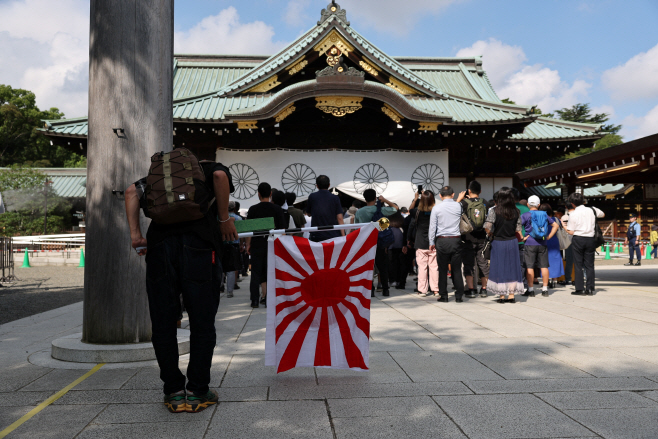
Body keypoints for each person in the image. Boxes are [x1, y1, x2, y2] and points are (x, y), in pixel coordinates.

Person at [124, 153, 237, 414]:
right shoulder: (211, 169)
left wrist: (136, 236)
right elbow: (220, 177)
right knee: (201, 322)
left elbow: (131, 192)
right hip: (200, 247)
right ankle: (198, 391)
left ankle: (174, 392)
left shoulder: (157, 179)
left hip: (159, 248)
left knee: (163, 323)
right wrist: (223, 219)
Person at [246, 183, 286, 308]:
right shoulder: (277, 209)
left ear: (258, 194)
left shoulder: (253, 209)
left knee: (255, 273)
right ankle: (269, 299)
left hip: (257, 244)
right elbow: (282, 230)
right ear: (270, 194)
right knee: (271, 272)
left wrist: (248, 244)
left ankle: (254, 300)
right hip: (272, 244)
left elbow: (249, 230)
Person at [483, 188, 524, 303]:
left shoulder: (494, 211)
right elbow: (518, 228)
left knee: (499, 267)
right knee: (512, 268)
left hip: (498, 242)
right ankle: (511, 295)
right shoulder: (516, 211)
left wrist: (490, 233)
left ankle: (501, 296)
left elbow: (487, 226)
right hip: (512, 242)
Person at [356, 189, 399, 296]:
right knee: (382, 266)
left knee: (368, 267)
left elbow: (357, 229)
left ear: (364, 199)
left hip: (366, 242)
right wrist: (384, 200)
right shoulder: (381, 210)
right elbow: (396, 208)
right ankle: (385, 289)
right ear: (375, 198)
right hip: (380, 241)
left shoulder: (359, 212)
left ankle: (371, 290)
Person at [429, 186, 465, 303]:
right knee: (456, 269)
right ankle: (459, 295)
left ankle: (444, 295)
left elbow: (432, 227)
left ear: (440, 195)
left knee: (442, 269)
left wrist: (431, 241)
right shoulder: (458, 206)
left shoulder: (436, 208)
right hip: (456, 239)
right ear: (453, 194)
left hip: (442, 240)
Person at [565, 192, 604, 295]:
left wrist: (564, 228)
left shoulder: (572, 214)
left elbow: (571, 230)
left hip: (578, 238)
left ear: (572, 203)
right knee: (589, 265)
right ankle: (590, 288)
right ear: (583, 201)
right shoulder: (592, 209)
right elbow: (603, 214)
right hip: (591, 239)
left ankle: (579, 288)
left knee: (578, 264)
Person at [520, 195, 559, 297]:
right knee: (544, 266)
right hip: (543, 243)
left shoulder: (526, 215)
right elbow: (556, 225)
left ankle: (531, 289)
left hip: (529, 243)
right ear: (539, 205)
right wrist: (549, 236)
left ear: (528, 204)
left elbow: (518, 226)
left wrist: (522, 237)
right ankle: (545, 289)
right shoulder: (544, 215)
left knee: (530, 267)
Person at [460, 180, 489, 298]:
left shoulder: (463, 203)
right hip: (482, 237)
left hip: (468, 237)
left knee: (469, 263)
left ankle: (471, 289)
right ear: (480, 191)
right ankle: (484, 289)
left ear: (469, 191)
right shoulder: (485, 202)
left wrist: (459, 199)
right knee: (482, 263)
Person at [408, 191, 438, 296]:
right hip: (433, 242)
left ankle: (422, 290)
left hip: (420, 242)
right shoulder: (436, 211)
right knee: (434, 267)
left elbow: (409, 210)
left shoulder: (417, 212)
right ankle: (435, 289)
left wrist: (416, 198)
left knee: (422, 268)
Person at [306, 175, 344, 242]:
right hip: (333, 234)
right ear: (329, 185)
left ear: (317, 186)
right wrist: (343, 236)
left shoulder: (312, 197)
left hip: (316, 234)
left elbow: (308, 213)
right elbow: (340, 218)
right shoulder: (335, 198)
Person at [539, 203, 564, 289]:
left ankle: (546, 281)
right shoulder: (556, 219)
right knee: (555, 260)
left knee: (544, 260)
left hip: (543, 240)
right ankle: (554, 280)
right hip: (554, 241)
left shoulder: (540, 220)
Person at [512, 188, 530, 289]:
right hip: (524, 239)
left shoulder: (508, 209)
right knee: (522, 264)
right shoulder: (526, 209)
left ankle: (512, 283)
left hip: (510, 239)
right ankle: (523, 283)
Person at [225, 201, 243, 298]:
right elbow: (241, 234)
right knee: (231, 268)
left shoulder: (220, 218)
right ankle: (229, 291)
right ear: (234, 208)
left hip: (222, 244)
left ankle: (220, 285)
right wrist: (242, 244)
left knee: (220, 268)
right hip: (234, 244)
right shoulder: (238, 218)